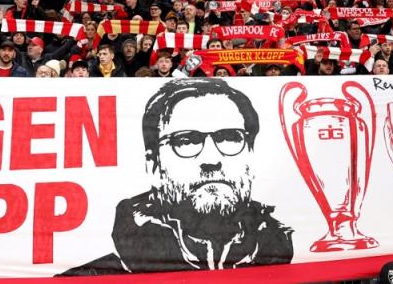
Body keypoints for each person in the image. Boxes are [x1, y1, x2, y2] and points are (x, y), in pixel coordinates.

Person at [60, 78, 292, 275]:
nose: (211, 159)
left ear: (251, 156)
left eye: (229, 137)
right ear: (153, 165)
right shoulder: (93, 276)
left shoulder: (302, 259)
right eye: (187, 141)